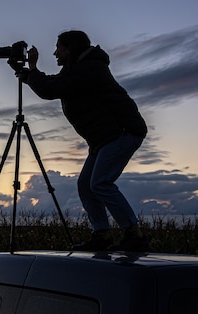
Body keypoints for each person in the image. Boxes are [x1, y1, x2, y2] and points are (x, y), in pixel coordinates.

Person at [20, 30, 148, 251]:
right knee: (86, 186)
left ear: (70, 48)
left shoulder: (90, 68)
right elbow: (54, 83)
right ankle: (102, 235)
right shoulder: (78, 68)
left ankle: (134, 235)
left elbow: (52, 89)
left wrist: (32, 69)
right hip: (103, 138)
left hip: (122, 132)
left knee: (100, 183)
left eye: (58, 47)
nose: (55, 52)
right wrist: (31, 75)